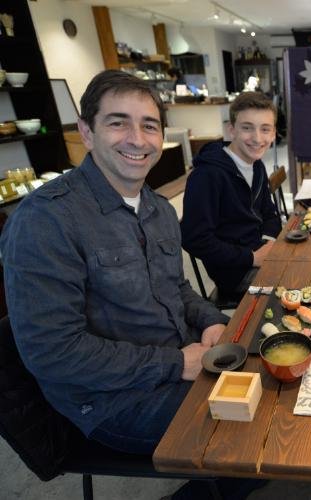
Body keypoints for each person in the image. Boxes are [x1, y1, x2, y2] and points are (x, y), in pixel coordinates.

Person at [0, 70, 265, 499]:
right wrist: (176, 364)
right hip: (111, 401)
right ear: (86, 132)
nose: (137, 139)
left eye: (149, 125)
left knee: (273, 376)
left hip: (180, 357)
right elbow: (53, 353)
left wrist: (212, 322)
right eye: (118, 122)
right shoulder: (44, 221)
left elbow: (176, 289)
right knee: (256, 428)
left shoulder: (158, 208)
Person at [181, 91, 281, 296]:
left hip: (259, 255)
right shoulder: (207, 175)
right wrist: (252, 257)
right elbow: (194, 238)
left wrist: (268, 243)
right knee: (304, 283)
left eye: (265, 129)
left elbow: (270, 214)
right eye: (247, 128)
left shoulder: (257, 165)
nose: (257, 138)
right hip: (235, 274)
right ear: (232, 129)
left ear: (273, 134)